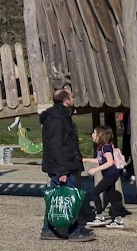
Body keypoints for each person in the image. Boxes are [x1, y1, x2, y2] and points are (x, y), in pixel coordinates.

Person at [39, 88, 94, 242]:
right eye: (71, 96)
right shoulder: (56, 118)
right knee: (67, 198)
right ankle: (73, 230)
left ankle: (48, 229)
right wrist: (62, 170)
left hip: (66, 163)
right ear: (66, 100)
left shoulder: (62, 115)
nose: (73, 98)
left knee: (58, 198)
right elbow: (55, 145)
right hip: (62, 166)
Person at [84, 125, 131, 230]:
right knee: (111, 197)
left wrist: (95, 170)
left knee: (95, 192)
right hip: (110, 174)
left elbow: (109, 163)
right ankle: (118, 220)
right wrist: (86, 160)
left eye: (94, 133)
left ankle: (100, 217)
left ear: (100, 135)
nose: (92, 135)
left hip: (111, 174)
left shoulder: (106, 147)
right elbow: (101, 160)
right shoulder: (102, 147)